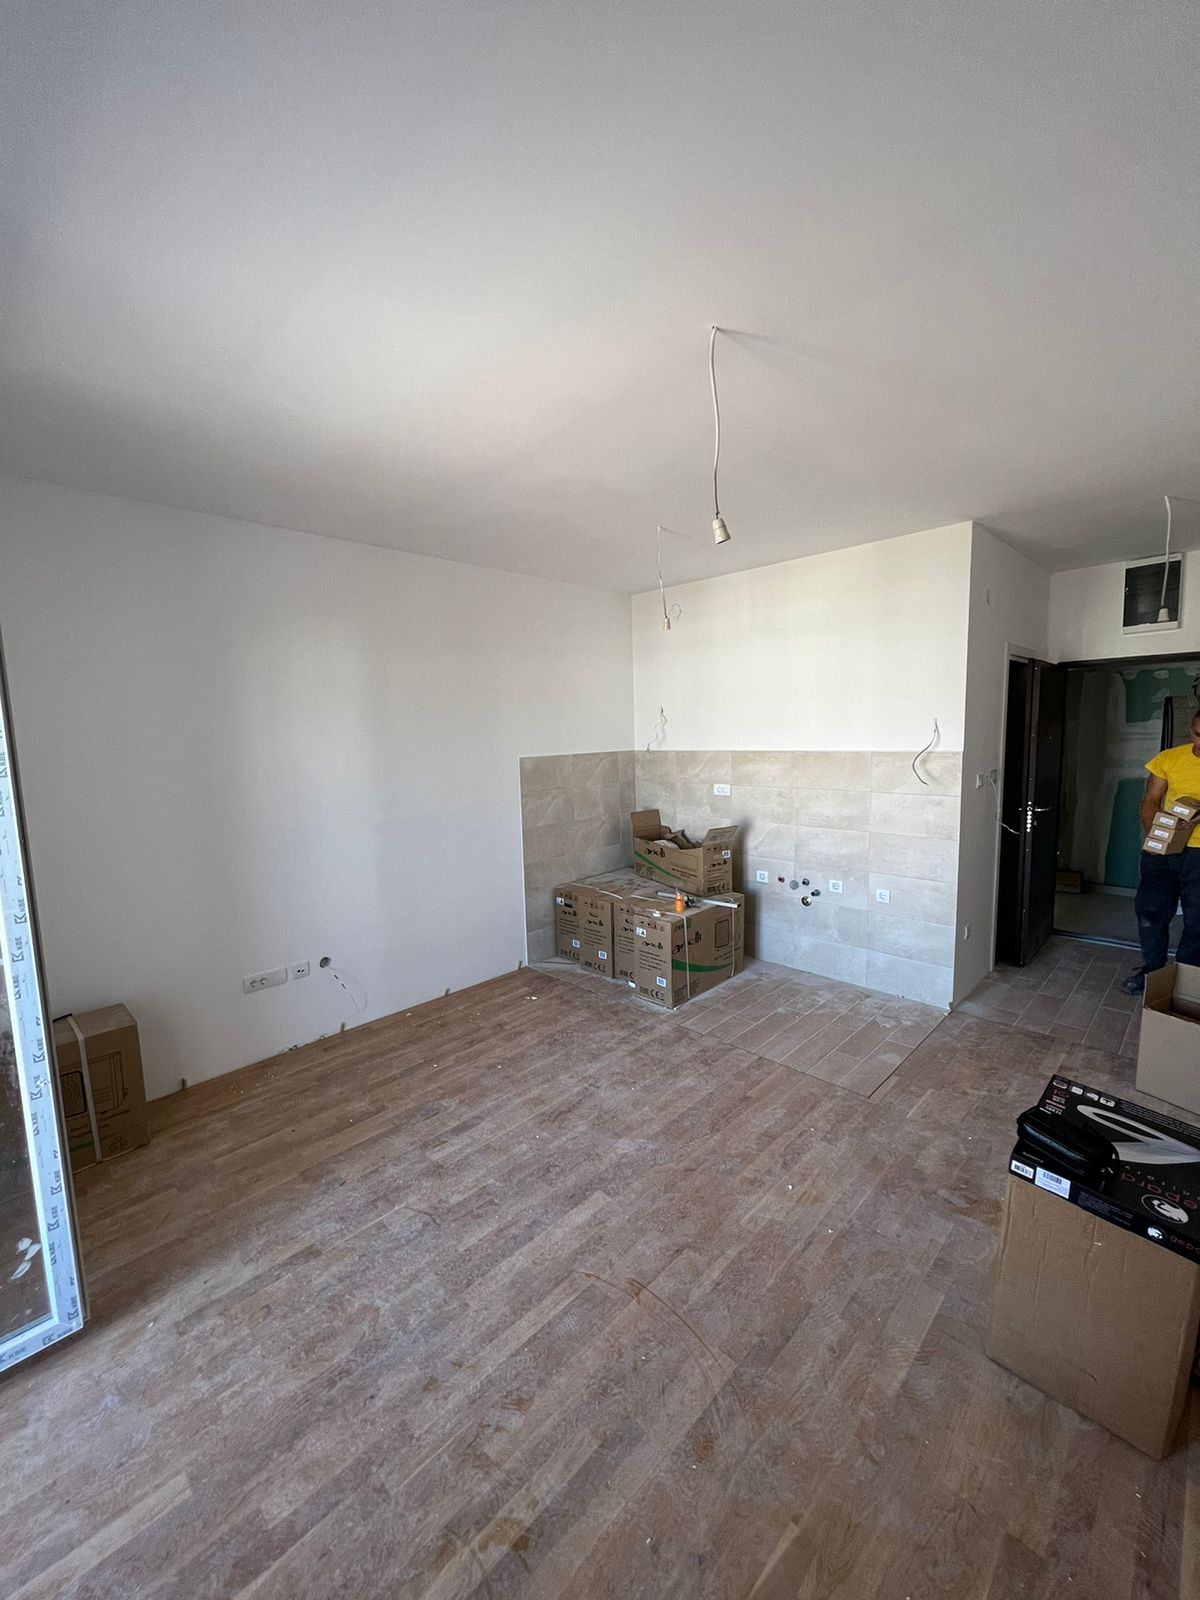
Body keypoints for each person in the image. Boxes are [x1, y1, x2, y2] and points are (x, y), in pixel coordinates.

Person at [1122, 707, 1200, 993]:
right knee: (1150, 912)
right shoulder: (1169, 759)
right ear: (1191, 730)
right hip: (1164, 853)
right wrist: (1156, 838)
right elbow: (1150, 800)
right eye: (1199, 734)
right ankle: (1153, 970)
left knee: (1198, 920)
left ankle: (1183, 978)